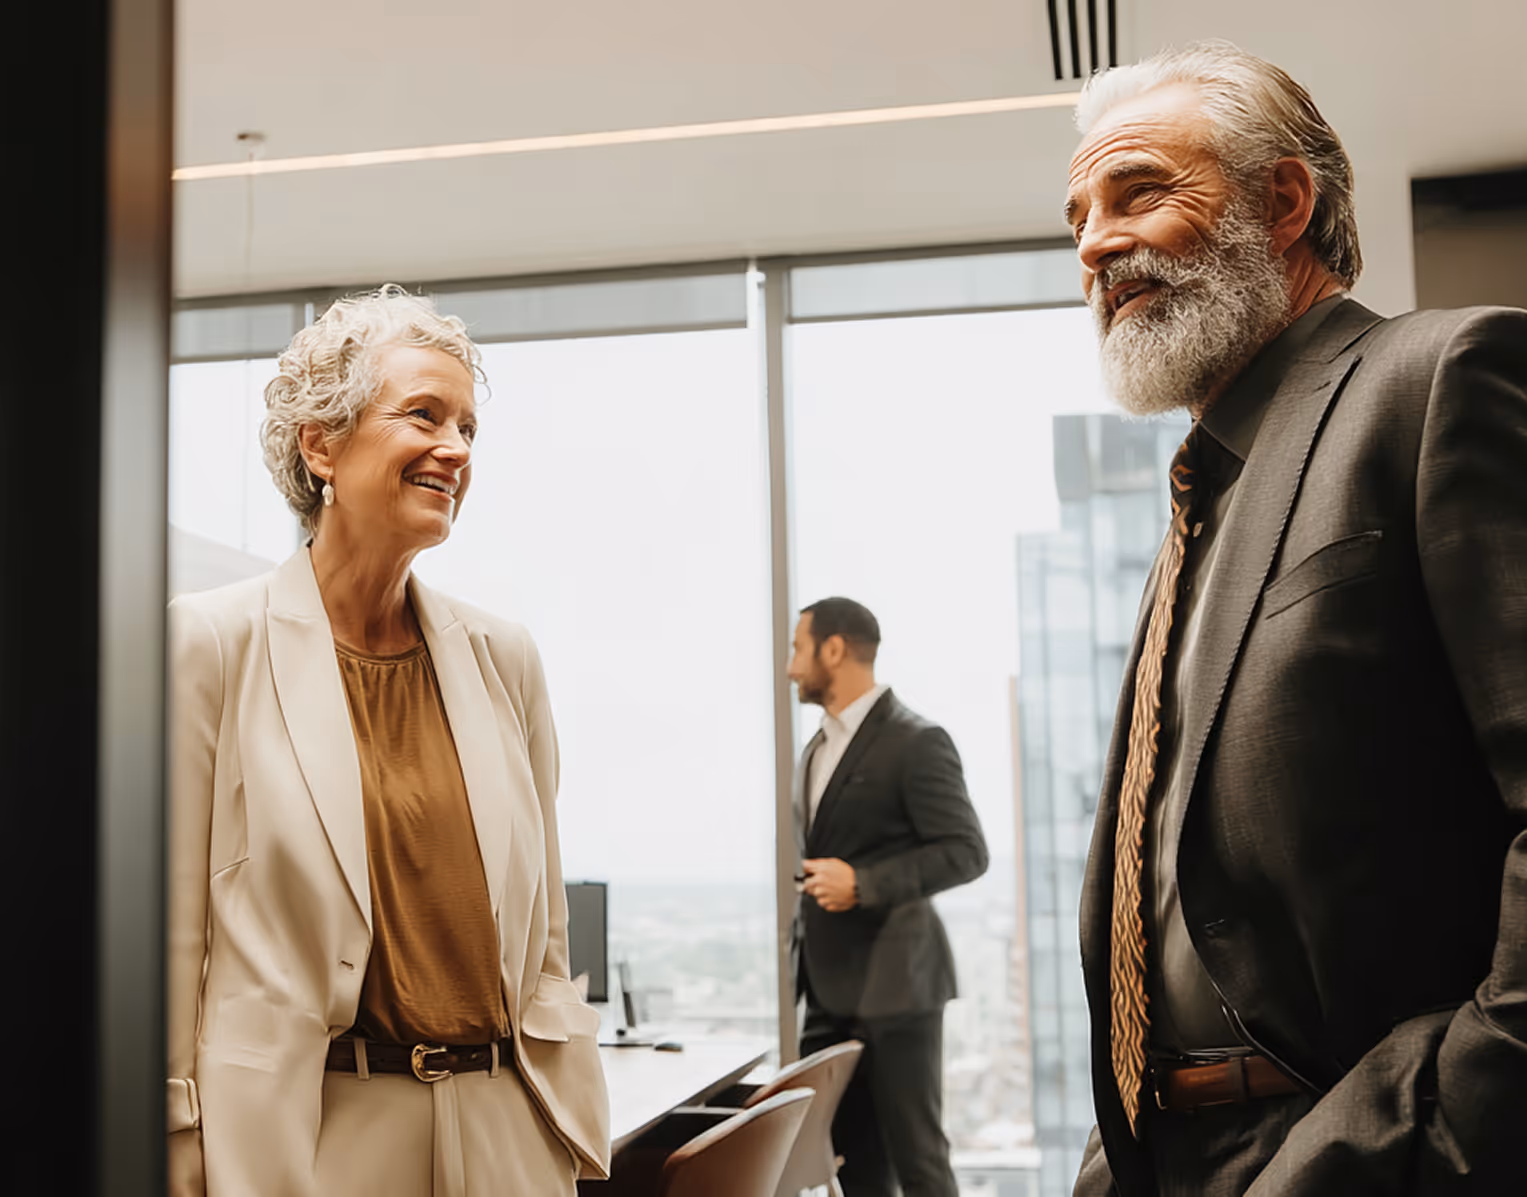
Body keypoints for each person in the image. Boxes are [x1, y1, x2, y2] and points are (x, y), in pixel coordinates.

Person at [1062, 41, 1527, 1197]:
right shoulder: (1198, 501)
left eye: (1138, 192)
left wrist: (1437, 1130)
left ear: (1283, 201)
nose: (1093, 245)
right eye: (1075, 216)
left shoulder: (1439, 379)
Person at [165, 286, 610, 1196]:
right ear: (320, 444)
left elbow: (544, 934)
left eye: (468, 428)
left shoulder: (504, 659)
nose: (455, 449)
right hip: (316, 1135)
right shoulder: (210, 642)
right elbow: (167, 933)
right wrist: (172, 1131)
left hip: (504, 1128)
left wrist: (553, 1126)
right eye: (423, 415)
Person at [786, 597, 989, 1197]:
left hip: (898, 988)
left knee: (919, 1161)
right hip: (827, 993)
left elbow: (965, 851)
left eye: (798, 649)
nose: (791, 668)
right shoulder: (815, 750)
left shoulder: (917, 741)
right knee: (852, 1167)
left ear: (834, 649)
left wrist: (864, 885)